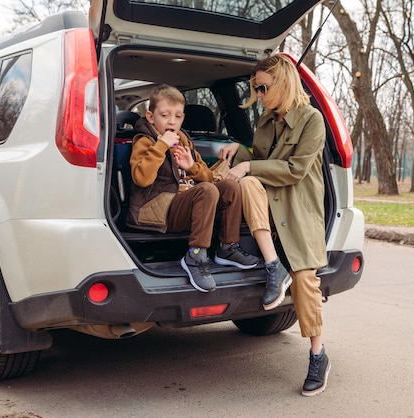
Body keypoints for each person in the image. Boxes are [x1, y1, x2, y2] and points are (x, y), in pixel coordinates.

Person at [219, 54, 329, 396]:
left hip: (298, 209)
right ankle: (271, 264)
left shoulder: (312, 120)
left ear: (282, 83)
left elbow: (295, 170)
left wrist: (250, 168)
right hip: (268, 208)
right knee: (249, 183)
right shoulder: (266, 122)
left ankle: (318, 355)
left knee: (305, 280)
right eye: (256, 88)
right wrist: (240, 153)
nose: (259, 94)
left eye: (264, 87)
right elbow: (260, 163)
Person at [127, 84, 259, 293]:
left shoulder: (184, 141)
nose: (172, 121)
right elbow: (142, 178)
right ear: (151, 117)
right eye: (165, 115)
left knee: (229, 186)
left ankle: (227, 247)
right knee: (207, 191)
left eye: (178, 116)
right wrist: (161, 146)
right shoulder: (144, 141)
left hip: (187, 205)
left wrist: (191, 167)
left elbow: (208, 177)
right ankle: (196, 255)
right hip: (158, 212)